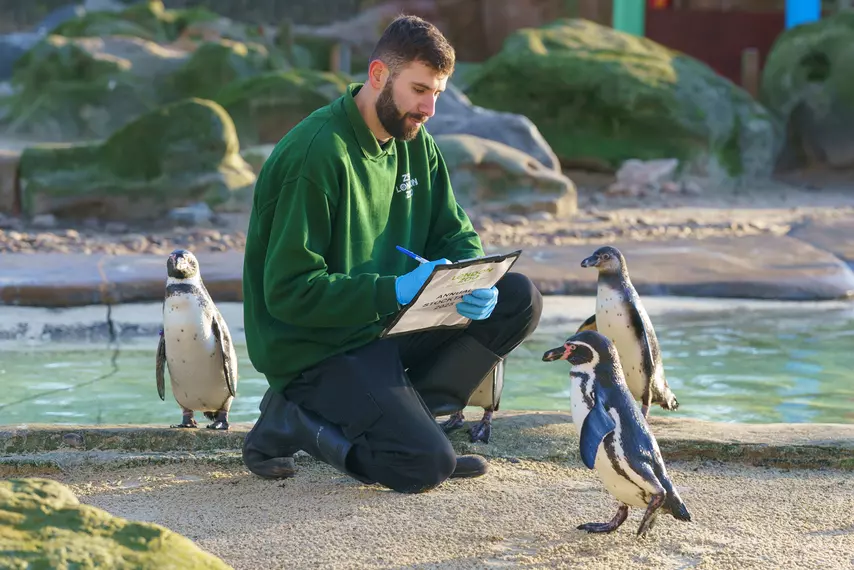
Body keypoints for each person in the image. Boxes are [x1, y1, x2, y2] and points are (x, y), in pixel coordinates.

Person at [240, 14, 543, 494]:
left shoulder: (413, 141)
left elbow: (454, 233)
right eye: (419, 89)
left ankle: (413, 422)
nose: (429, 109)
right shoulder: (316, 155)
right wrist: (395, 289)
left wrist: (471, 281)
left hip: (383, 324)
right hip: (316, 345)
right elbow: (288, 294)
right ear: (379, 75)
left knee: (517, 297)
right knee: (420, 467)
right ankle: (297, 419)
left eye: (437, 93)